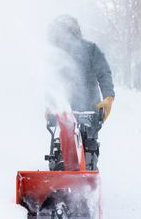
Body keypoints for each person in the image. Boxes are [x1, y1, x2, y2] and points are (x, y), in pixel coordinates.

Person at [48, 15, 114, 170]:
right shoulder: (56, 54)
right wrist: (49, 104)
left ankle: (88, 168)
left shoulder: (91, 49)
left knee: (88, 142)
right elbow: (50, 80)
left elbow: (104, 73)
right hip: (65, 106)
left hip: (90, 106)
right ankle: (62, 167)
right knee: (63, 140)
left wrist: (108, 97)